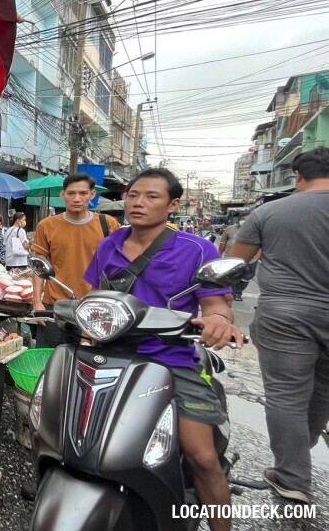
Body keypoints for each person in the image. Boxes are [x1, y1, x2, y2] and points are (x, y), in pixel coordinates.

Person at [85, 168, 242, 531]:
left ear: (173, 204)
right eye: (134, 195)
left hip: (172, 359)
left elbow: (217, 305)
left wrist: (219, 320)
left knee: (201, 456)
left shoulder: (195, 248)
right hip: (113, 355)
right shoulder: (109, 244)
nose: (138, 203)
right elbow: (96, 298)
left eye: (151, 197)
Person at [229, 146, 329, 506]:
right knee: (323, 392)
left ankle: (293, 476)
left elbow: (235, 263)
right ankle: (300, 450)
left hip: (286, 314)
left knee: (287, 396)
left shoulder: (269, 211)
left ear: (297, 176)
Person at [31, 174, 122, 346]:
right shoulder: (47, 225)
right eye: (71, 193)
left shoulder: (108, 224)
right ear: (63, 195)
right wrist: (37, 301)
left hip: (95, 308)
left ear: (92, 195)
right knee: (49, 360)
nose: (77, 199)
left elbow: (119, 266)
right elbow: (39, 264)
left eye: (83, 193)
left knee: (89, 363)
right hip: (55, 305)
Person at [218, 210, 259, 301]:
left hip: (250, 260)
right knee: (230, 276)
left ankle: (237, 293)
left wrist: (256, 257)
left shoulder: (257, 230)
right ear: (238, 220)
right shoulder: (230, 229)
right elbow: (223, 242)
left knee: (245, 278)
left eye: (248, 220)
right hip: (231, 258)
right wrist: (219, 254)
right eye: (243, 219)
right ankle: (228, 292)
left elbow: (262, 244)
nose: (245, 221)